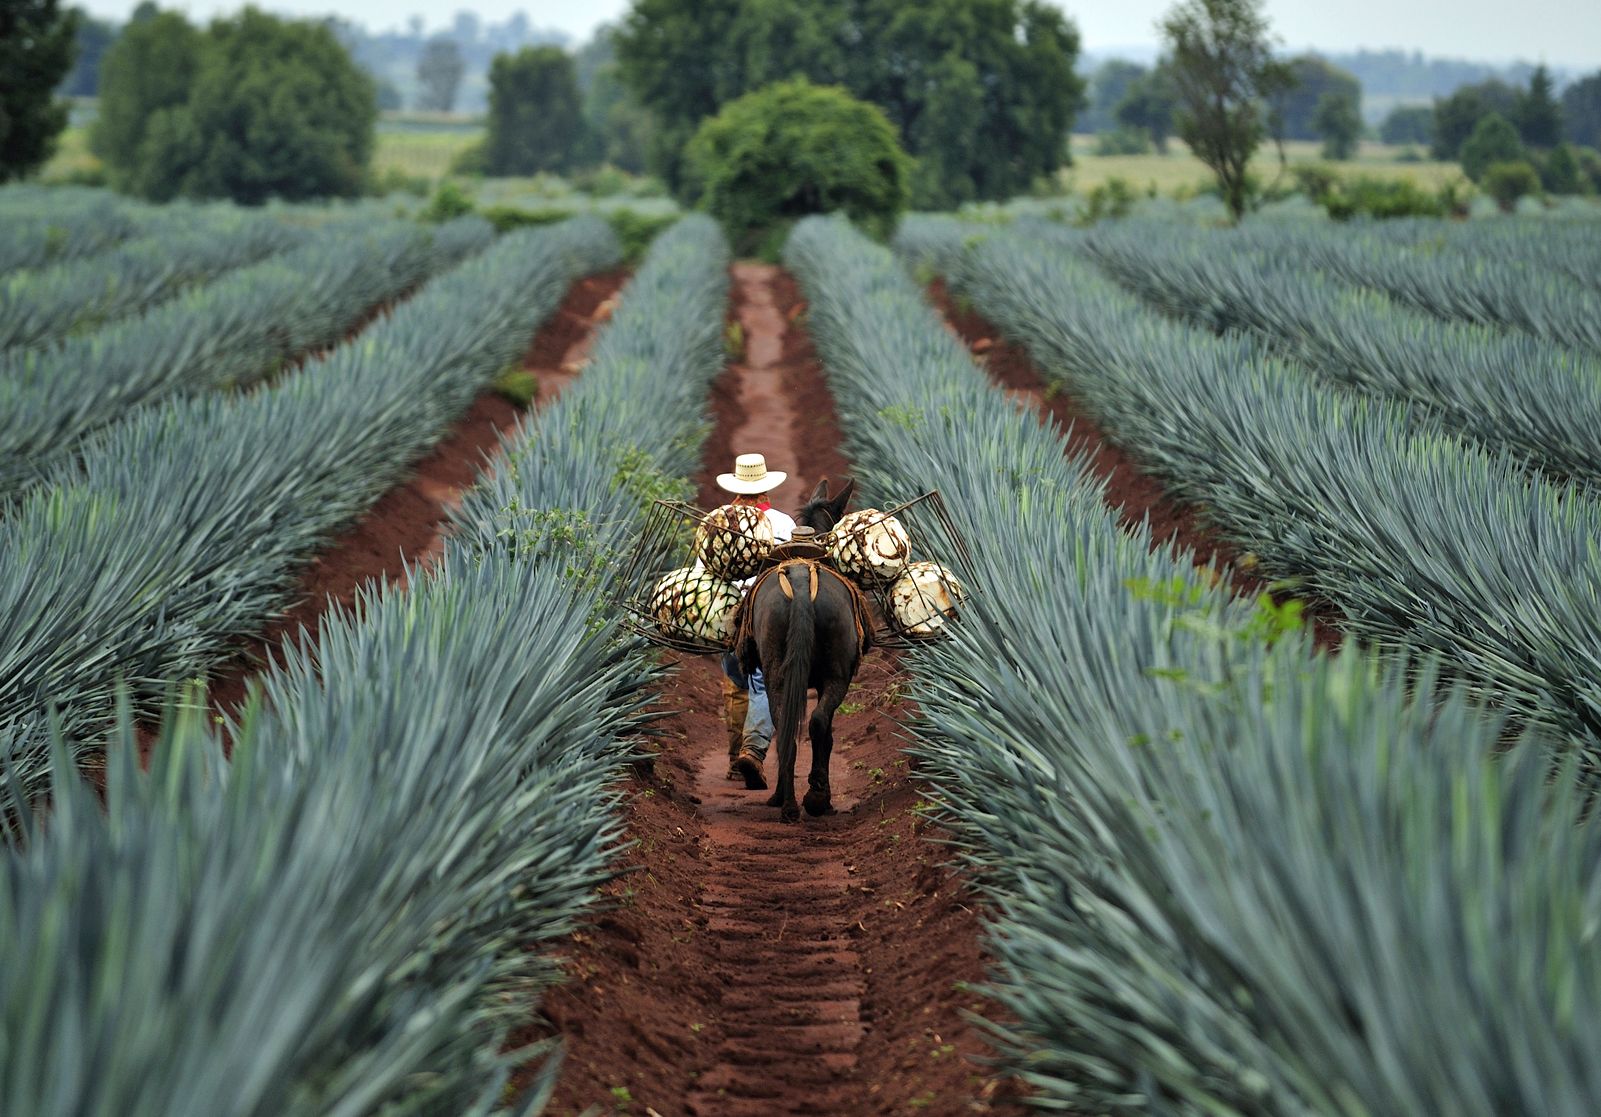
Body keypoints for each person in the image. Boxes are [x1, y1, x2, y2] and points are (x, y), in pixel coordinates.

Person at [714, 453, 795, 789]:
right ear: (765, 493)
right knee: (763, 682)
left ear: (736, 491)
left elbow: (709, 573)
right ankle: (753, 750)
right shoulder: (784, 522)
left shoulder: (719, 522)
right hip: (774, 613)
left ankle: (737, 759)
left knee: (736, 684)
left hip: (733, 614)